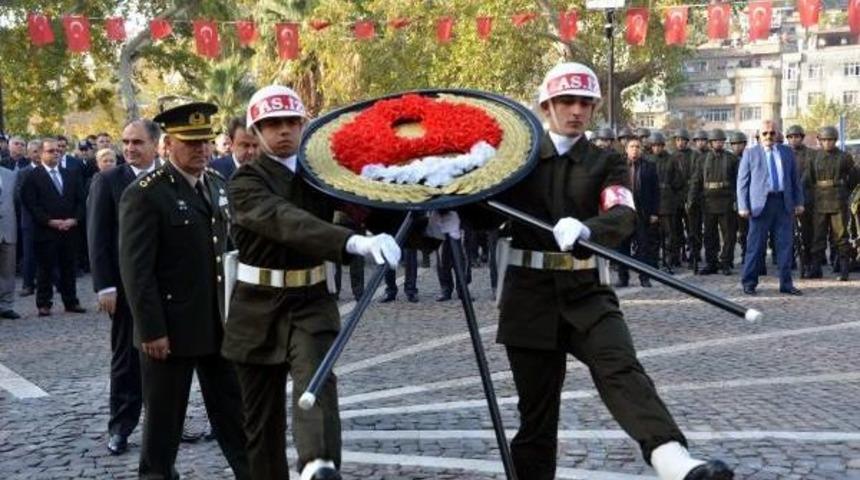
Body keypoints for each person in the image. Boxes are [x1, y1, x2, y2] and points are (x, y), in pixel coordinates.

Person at [468, 62, 732, 480]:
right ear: (546, 105)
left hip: (585, 290)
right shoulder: (516, 159)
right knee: (536, 416)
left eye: (585, 103)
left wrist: (588, 227)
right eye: (566, 102)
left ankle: (672, 459)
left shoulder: (606, 162)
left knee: (621, 368)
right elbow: (481, 213)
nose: (576, 111)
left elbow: (623, 211)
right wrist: (449, 210)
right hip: (529, 297)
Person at [221, 85, 447, 480]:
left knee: (318, 380)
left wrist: (430, 224)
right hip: (256, 306)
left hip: (310, 300)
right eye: (272, 124)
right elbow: (286, 221)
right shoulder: (244, 183)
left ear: (304, 125)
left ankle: (319, 465)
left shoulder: (323, 174)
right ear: (256, 131)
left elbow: (371, 207)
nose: (284, 131)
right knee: (261, 426)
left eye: (291, 122)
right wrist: (351, 242)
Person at [119, 103, 251, 479]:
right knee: (163, 429)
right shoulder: (146, 193)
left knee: (235, 419)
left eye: (206, 142)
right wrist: (151, 330)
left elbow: (228, 251)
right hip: (170, 333)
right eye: (191, 143)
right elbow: (136, 270)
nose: (202, 150)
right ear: (168, 145)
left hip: (217, 326)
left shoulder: (216, 185)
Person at [88, 120, 162, 455]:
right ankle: (120, 427)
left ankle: (166, 423)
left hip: (169, 287)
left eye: (137, 142)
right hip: (125, 288)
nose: (129, 148)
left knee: (171, 361)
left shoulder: (170, 176)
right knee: (126, 360)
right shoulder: (108, 181)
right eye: (125, 142)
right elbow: (98, 237)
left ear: (156, 144)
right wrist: (105, 286)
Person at [19, 138, 86, 316]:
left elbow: (81, 200)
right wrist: (49, 221)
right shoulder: (32, 177)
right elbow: (30, 204)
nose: (56, 153)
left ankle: (71, 301)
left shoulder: (70, 174)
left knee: (69, 267)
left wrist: (75, 219)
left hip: (70, 230)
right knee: (45, 269)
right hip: (45, 231)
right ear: (41, 153)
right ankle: (44, 303)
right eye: (51, 151)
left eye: (58, 150)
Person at [737, 120, 804, 295]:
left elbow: (794, 180)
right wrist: (743, 205)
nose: (768, 136)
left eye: (772, 133)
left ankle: (786, 284)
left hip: (783, 203)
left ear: (777, 135)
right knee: (755, 246)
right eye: (765, 133)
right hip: (760, 206)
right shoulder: (750, 154)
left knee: (785, 246)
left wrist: (799, 202)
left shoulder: (786, 152)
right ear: (759, 135)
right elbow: (742, 182)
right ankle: (749, 282)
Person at [805, 126, 858, 280]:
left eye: (830, 140)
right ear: (820, 141)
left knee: (841, 236)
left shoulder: (844, 157)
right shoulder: (814, 157)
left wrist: (844, 190)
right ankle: (816, 268)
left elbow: (854, 177)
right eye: (824, 140)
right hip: (820, 200)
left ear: (835, 140)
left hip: (838, 200)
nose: (827, 143)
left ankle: (844, 269)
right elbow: (808, 179)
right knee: (818, 235)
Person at [689, 129, 739, 276]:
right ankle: (711, 262)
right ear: (711, 143)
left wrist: (737, 200)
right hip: (708, 201)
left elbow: (737, 182)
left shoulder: (731, 159)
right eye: (716, 141)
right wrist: (691, 199)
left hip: (726, 200)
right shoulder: (702, 159)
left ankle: (726, 262)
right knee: (709, 235)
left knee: (729, 235)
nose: (719, 143)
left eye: (721, 141)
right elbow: (696, 180)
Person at [616, 137, 659, 288]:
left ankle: (644, 278)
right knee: (622, 247)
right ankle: (623, 278)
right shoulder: (619, 166)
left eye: (637, 147)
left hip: (642, 213)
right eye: (632, 146)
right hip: (624, 213)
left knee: (644, 247)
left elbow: (655, 191)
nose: (635, 149)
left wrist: (654, 212)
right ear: (626, 149)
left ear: (641, 150)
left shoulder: (649, 166)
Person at [649, 131, 684, 271]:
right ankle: (654, 262)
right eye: (654, 146)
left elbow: (679, 179)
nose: (657, 148)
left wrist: (670, 188)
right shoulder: (648, 159)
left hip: (668, 201)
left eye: (659, 145)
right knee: (653, 234)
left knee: (669, 234)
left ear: (663, 146)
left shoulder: (672, 159)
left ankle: (669, 261)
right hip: (652, 201)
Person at [785, 125, 815, 277]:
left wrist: (799, 184)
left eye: (796, 136)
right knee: (787, 233)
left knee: (807, 234)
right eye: (790, 137)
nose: (793, 139)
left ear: (802, 138)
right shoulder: (784, 153)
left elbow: (810, 173)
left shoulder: (811, 154)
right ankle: (789, 262)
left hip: (806, 198)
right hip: (787, 198)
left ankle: (808, 262)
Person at [671, 129, 695, 268]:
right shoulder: (672, 157)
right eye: (677, 140)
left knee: (692, 229)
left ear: (687, 141)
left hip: (690, 196)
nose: (680, 143)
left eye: (682, 140)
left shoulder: (693, 156)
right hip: (676, 198)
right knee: (676, 229)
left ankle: (693, 255)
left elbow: (696, 176)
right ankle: (677, 255)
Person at [0, 164, 20, 319]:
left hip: (8, 228)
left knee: (8, 270)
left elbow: (16, 200)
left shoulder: (10, 175)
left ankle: (6, 305)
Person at [729, 132, 750, 259]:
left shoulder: (749, 157)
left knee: (746, 229)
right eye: (735, 144)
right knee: (731, 230)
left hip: (746, 199)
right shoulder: (729, 159)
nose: (737, 147)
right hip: (731, 198)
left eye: (740, 144)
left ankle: (746, 251)